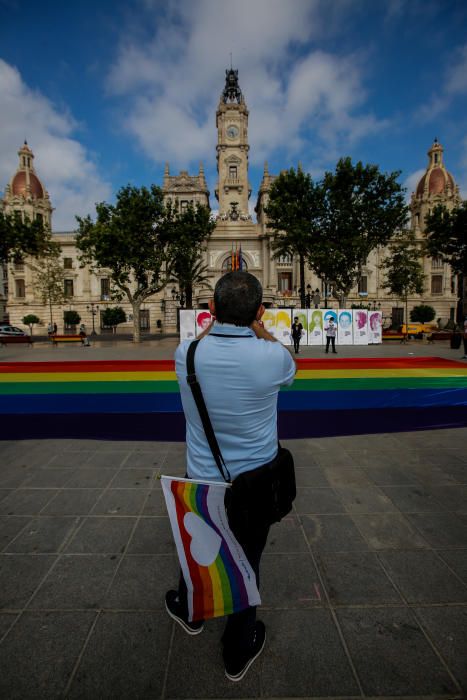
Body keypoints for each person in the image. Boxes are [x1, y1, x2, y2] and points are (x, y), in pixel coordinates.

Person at [166, 271, 296, 682]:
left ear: (211, 311)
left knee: (198, 550)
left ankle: (190, 610)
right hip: (255, 483)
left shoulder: (185, 353)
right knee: (247, 559)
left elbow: (204, 340)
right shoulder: (274, 357)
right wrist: (260, 327)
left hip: (202, 478)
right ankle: (238, 648)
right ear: (260, 312)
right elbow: (289, 370)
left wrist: (213, 323)